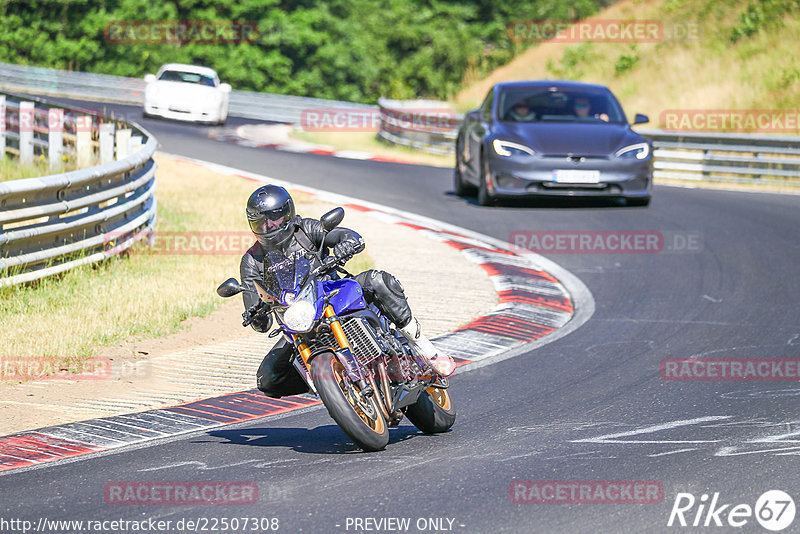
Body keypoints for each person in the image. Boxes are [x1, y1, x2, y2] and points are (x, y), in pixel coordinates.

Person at [240, 185, 456, 398]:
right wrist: (255, 315)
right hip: (298, 318)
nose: (268, 226)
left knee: (377, 280)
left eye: (273, 218)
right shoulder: (251, 261)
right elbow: (259, 316)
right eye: (260, 222)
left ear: (287, 214)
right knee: (268, 378)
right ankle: (332, 382)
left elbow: (344, 234)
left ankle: (427, 351)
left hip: (334, 294)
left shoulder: (304, 230)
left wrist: (347, 242)